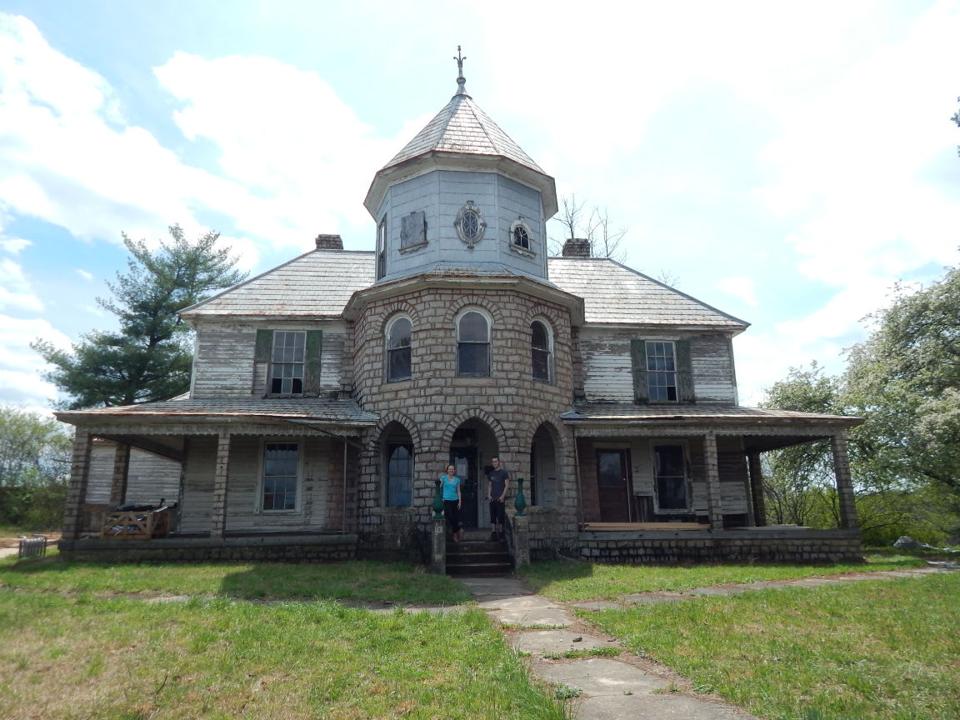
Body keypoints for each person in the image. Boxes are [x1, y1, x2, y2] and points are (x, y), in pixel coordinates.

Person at [485, 456, 510, 541]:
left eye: (495, 461)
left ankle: (501, 534)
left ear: (499, 462)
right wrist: (489, 495)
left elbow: (507, 485)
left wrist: (503, 496)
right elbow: (489, 485)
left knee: (500, 517)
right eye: (493, 462)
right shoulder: (491, 473)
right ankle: (493, 534)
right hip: (492, 498)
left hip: (500, 498)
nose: (494, 463)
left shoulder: (504, 473)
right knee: (493, 517)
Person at [440, 464, 463, 542]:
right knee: (450, 517)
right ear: (447, 470)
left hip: (455, 500)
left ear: (454, 471)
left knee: (455, 518)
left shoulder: (457, 480)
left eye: (452, 469)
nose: (451, 470)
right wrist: (441, 497)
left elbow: (458, 491)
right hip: (446, 500)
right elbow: (439, 488)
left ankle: (455, 535)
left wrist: (460, 501)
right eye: (450, 469)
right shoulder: (443, 478)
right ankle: (458, 530)